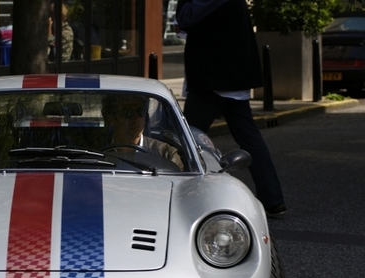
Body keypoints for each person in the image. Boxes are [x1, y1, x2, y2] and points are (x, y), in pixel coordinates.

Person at [176, 0, 286, 217]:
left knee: (185, 139)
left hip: (214, 80)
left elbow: (186, 17)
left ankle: (179, 197)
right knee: (250, 139)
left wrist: (184, 18)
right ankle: (273, 199)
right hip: (230, 79)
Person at [101, 94, 184, 171]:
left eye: (141, 111)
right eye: (128, 112)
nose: (136, 118)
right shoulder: (94, 152)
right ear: (110, 118)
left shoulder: (166, 155)